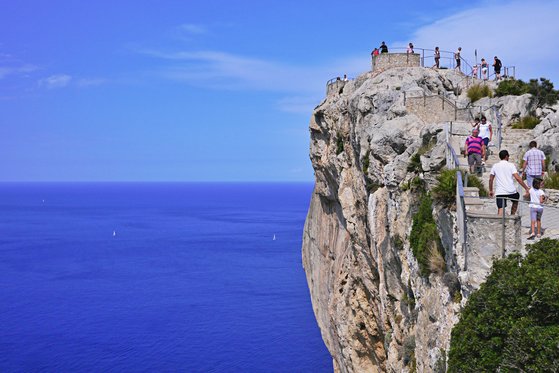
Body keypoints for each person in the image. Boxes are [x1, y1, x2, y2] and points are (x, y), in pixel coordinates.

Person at [489, 150, 530, 216]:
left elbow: (491, 179)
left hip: (500, 191)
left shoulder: (495, 166)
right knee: (516, 199)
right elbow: (518, 178)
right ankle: (512, 215)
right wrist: (526, 188)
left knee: (500, 208)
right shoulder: (511, 165)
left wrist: (491, 190)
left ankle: (500, 223)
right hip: (511, 191)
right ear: (506, 156)